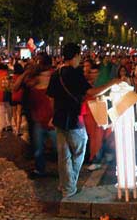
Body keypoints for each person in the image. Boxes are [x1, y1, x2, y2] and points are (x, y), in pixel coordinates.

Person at [47, 43, 120, 197]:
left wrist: (53, 115)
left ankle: (65, 185)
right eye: (79, 56)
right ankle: (69, 186)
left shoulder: (56, 73)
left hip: (59, 118)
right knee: (80, 149)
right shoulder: (75, 74)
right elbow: (91, 91)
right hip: (73, 118)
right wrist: (112, 83)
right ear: (75, 56)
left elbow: (51, 97)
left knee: (64, 154)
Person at [11, 63, 24, 136]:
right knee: (19, 113)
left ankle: (16, 127)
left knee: (14, 112)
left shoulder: (12, 77)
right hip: (20, 95)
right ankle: (18, 129)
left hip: (13, 95)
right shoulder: (21, 77)